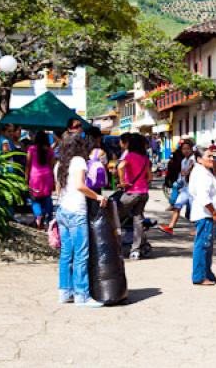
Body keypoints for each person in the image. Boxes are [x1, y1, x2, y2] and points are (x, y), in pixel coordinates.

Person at [55, 133, 107, 307]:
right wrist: (98, 197)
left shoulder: (60, 164)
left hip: (62, 211)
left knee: (65, 255)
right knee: (81, 255)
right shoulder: (78, 161)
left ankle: (64, 292)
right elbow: (80, 185)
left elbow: (58, 190)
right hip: (76, 212)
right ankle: (82, 295)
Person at [189, 146, 216, 285]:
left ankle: (207, 273)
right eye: (208, 156)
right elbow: (204, 197)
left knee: (207, 246)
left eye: (212, 156)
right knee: (203, 245)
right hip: (205, 215)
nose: (212, 159)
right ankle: (199, 276)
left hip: (207, 215)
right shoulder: (202, 174)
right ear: (199, 159)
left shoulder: (204, 171)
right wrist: (214, 212)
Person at [117, 133, 152, 259]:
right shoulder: (144, 158)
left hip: (131, 193)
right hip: (143, 193)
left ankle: (114, 244)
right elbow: (150, 177)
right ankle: (135, 250)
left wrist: (122, 182)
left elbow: (120, 166)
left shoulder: (130, 156)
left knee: (115, 214)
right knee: (138, 220)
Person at [161, 140, 195, 234]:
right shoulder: (183, 161)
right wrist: (179, 183)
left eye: (188, 149)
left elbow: (190, 171)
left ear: (191, 149)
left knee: (194, 209)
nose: (186, 151)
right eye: (184, 149)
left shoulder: (194, 159)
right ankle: (170, 227)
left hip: (194, 189)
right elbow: (182, 175)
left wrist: (188, 171)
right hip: (185, 188)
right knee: (177, 206)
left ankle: (198, 229)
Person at [26, 131, 55, 229]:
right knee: (46, 198)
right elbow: (52, 166)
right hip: (47, 177)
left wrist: (26, 178)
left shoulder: (31, 149)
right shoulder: (50, 150)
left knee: (35, 199)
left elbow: (28, 165)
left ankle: (38, 217)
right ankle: (47, 218)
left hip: (34, 177)